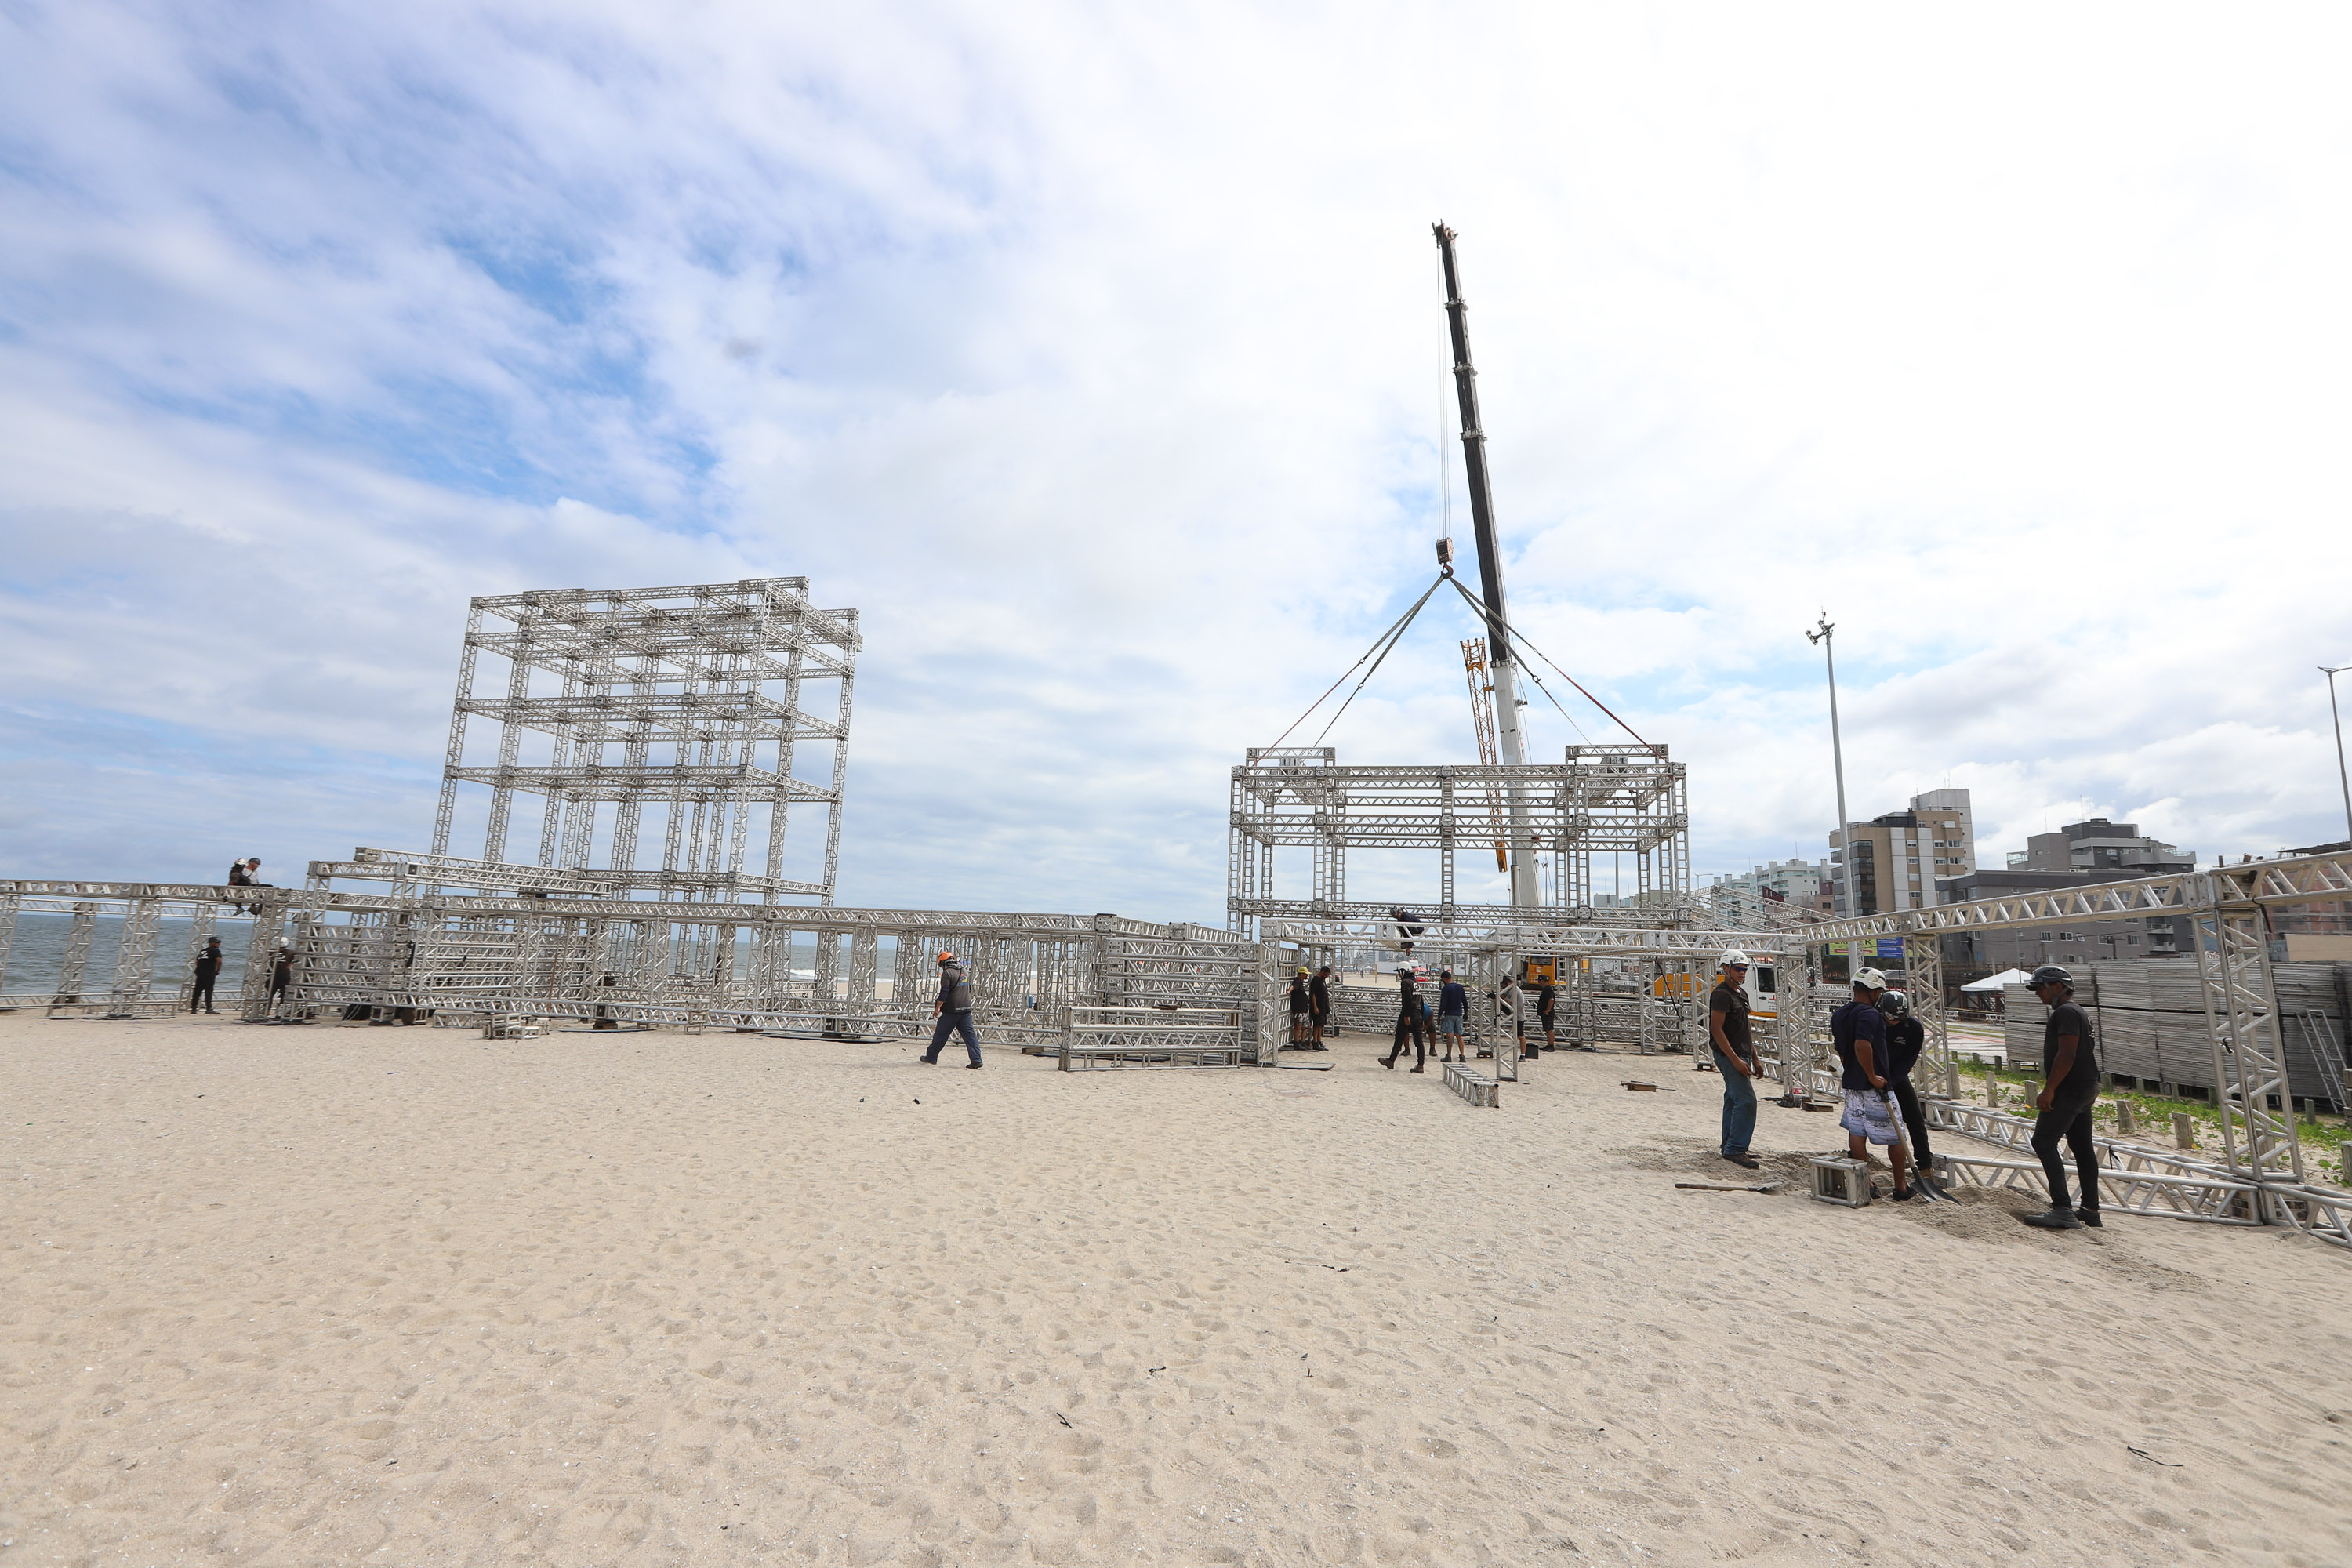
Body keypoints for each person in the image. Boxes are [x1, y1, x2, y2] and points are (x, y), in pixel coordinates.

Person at [2022, 964, 2103, 1230]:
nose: (2037, 994)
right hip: (2086, 1086)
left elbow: (2066, 1054)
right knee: (2082, 1148)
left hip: (2070, 1088)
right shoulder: (2077, 1011)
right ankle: (2090, 1209)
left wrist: (2050, 1089)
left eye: (2040, 988)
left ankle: (2062, 1209)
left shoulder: (2066, 1013)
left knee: (2043, 1141)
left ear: (2057, 987)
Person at [1831, 967, 1911, 1199]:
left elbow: (1843, 1051)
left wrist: (1855, 1072)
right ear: (1875, 992)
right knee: (1898, 1135)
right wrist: (1872, 1075)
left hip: (1852, 1084)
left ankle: (1864, 1182)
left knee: (1857, 1132)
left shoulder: (1839, 1014)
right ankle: (1901, 1187)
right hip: (1874, 1086)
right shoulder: (1870, 1014)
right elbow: (1861, 1045)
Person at [1708, 949, 1762, 1169]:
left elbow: (1745, 1030)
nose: (1742, 973)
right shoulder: (1721, 995)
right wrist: (1735, 1060)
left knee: (1733, 1099)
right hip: (1729, 1054)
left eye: (1745, 969)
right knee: (1746, 1101)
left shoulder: (1741, 993)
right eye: (1738, 969)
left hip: (1741, 1053)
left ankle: (1729, 1145)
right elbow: (1716, 1030)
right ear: (1726, 969)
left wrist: (1755, 1059)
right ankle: (1735, 1149)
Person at [1876, 989, 1936, 1174]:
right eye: (1890, 1019)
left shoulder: (1914, 1028)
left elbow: (1908, 1059)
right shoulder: (1874, 1022)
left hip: (1897, 1077)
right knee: (1861, 1121)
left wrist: (1891, 1083)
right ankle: (1855, 1155)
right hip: (1871, 1075)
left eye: (1897, 1019)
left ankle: (1925, 1166)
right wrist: (1873, 1078)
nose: (1893, 1022)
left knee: (1915, 1119)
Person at [922, 949, 982, 1069]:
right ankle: (977, 1060)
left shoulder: (947, 973)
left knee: (940, 1035)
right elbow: (968, 989)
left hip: (951, 1011)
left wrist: (937, 1008)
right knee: (970, 1036)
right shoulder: (964, 971)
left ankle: (931, 1057)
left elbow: (944, 993)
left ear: (943, 963)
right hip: (966, 1009)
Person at [1384, 964, 1428, 1073]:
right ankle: (1420, 1065)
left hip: (1409, 1013)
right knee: (1419, 1041)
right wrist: (1422, 1017)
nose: (1398, 974)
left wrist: (1406, 1015)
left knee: (1399, 1038)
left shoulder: (1405, 982)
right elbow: (1421, 1001)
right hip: (1418, 1014)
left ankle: (1391, 1061)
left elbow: (1407, 1000)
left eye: (1399, 972)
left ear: (1404, 971)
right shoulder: (1415, 982)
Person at [1435, 967, 1468, 1063]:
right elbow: (1465, 1001)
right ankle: (1462, 1055)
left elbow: (1443, 1003)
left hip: (1449, 1014)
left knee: (1450, 1035)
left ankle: (1449, 1056)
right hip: (1459, 1014)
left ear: (1445, 978)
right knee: (1459, 1035)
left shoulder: (1446, 989)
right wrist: (1466, 1013)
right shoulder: (1460, 987)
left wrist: (1439, 1015)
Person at [190, 935, 223, 1014]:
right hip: (209, 973)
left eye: (219, 942)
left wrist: (199, 969)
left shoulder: (203, 951)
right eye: (217, 942)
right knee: (209, 991)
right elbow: (219, 961)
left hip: (200, 972)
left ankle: (194, 1008)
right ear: (211, 943)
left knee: (197, 991)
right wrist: (217, 970)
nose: (218, 944)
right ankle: (209, 1008)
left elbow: (197, 962)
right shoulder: (215, 951)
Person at [1308, 964, 1333, 1048]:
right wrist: (1315, 1007)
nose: (1326, 977)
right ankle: (1315, 1041)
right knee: (1317, 1025)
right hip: (1317, 1006)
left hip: (1323, 1007)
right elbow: (1313, 994)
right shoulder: (1316, 980)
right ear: (1322, 972)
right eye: (1326, 975)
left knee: (1321, 1025)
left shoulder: (1322, 980)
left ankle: (1319, 1040)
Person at [1287, 967, 1312, 1047]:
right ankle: (1297, 1042)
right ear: (1301, 974)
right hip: (1298, 1009)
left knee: (1305, 1026)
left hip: (1303, 1009)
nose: (1306, 976)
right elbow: (1293, 986)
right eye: (1305, 974)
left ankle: (1302, 1041)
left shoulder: (1300, 982)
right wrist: (1289, 991)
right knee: (1298, 1026)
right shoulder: (1297, 981)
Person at [1535, 973, 1559, 1052]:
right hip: (1545, 1012)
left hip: (1548, 1013)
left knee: (1549, 1029)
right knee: (1547, 1029)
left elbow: (1551, 1000)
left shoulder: (1548, 989)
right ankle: (1549, 1044)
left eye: (1540, 981)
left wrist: (1548, 1010)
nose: (1539, 983)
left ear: (1543, 981)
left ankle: (1551, 1045)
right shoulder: (1546, 989)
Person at [268, 946, 293, 1014]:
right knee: (269, 994)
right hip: (274, 976)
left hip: (282, 977)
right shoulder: (273, 951)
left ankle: (280, 1011)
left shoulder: (290, 953)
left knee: (284, 995)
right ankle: (267, 1010)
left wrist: (290, 964)